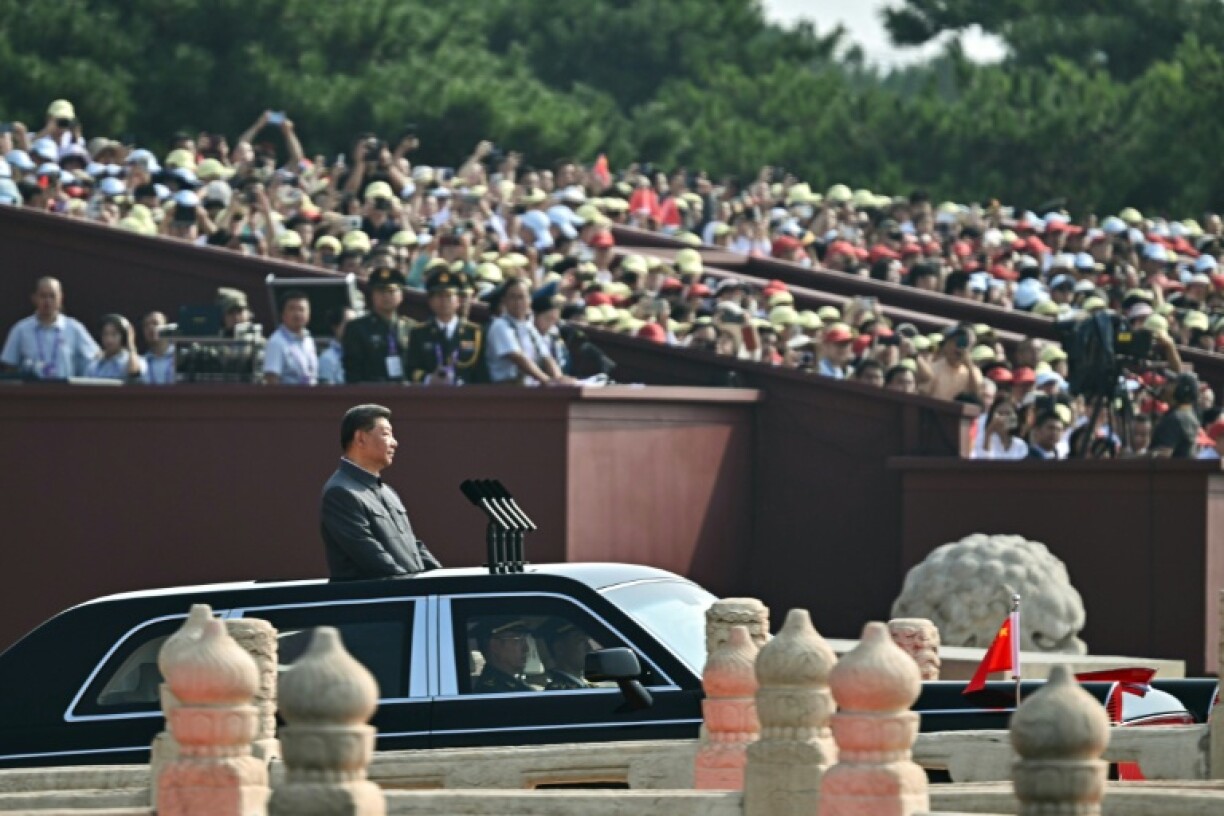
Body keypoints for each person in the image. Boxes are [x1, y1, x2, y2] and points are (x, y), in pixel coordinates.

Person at [320, 404, 442, 580]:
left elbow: (413, 546)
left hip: (407, 597)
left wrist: (441, 578)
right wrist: (413, 587)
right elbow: (372, 557)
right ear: (361, 438)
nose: (395, 442)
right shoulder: (340, 492)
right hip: (373, 604)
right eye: (386, 434)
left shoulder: (388, 492)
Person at [1, 276, 98, 378]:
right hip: (31, 391)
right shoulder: (20, 329)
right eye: (43, 296)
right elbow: (9, 366)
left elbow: (95, 357)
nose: (47, 301)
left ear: (61, 298)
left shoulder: (74, 328)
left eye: (52, 296)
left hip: (66, 391)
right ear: (34, 298)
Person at [404, 267, 487, 385]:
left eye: (448, 296)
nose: (443, 301)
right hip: (430, 396)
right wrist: (428, 379)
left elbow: (482, 372)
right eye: (438, 296)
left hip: (465, 397)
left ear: (458, 300)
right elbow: (410, 368)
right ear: (430, 301)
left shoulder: (474, 332)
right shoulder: (419, 332)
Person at [486, 278, 574, 385]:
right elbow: (518, 358)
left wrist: (559, 378)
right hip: (507, 388)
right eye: (513, 297)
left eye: (522, 297)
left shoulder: (529, 327)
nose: (518, 302)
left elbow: (546, 356)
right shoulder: (500, 325)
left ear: (529, 300)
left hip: (529, 388)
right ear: (504, 301)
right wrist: (547, 380)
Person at [342, 266, 414, 383]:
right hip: (372, 392)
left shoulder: (412, 328)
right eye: (380, 291)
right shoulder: (357, 328)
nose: (385, 296)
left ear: (401, 295)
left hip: (406, 393)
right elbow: (352, 371)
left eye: (391, 291)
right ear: (372, 295)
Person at [262, 290, 318, 385]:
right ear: (283, 314)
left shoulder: (309, 340)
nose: (297, 314)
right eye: (292, 309)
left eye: (301, 309)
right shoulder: (276, 342)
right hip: (288, 398)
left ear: (309, 314)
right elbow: (271, 380)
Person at [472, 618, 537, 693]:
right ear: (495, 646)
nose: (526, 648)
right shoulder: (492, 691)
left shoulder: (510, 684)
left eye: (524, 639)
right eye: (518, 640)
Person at [1151, 373, 1202, 458]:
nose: (1165, 387)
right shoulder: (1189, 414)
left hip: (1170, 470)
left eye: (1171, 383)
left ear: (1181, 390)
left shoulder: (1175, 419)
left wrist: (1131, 460)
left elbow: (1163, 454)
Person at [84, 314, 146, 381]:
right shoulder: (95, 364)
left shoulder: (133, 361)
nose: (109, 339)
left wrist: (130, 343)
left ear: (123, 337)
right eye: (105, 334)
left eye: (114, 334)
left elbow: (134, 371)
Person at [539, 620, 593, 691]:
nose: (589, 648)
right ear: (559, 648)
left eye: (587, 640)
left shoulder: (577, 687)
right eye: (580, 640)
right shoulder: (561, 691)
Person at [317, 306, 355, 385]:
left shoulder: (362, 353)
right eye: (349, 323)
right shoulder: (327, 359)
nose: (354, 328)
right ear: (335, 327)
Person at [142, 311, 176, 385]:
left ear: (167, 328)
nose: (150, 327)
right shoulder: (141, 362)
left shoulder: (180, 357)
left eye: (155, 323)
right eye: (146, 325)